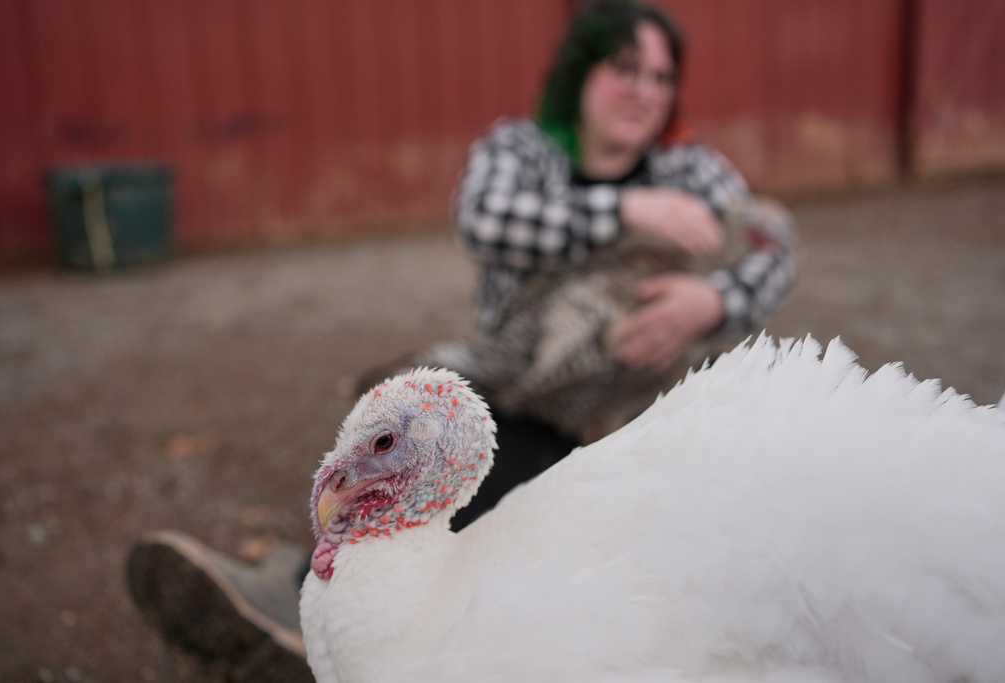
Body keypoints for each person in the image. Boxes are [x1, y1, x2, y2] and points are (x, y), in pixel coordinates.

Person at [127, 1, 796, 679]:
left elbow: (775, 249)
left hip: (639, 406)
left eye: (660, 76)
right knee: (444, 481)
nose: (644, 90)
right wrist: (623, 209)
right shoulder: (519, 149)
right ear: (579, 74)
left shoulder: (695, 169)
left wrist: (712, 299)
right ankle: (302, 595)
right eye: (624, 69)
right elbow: (482, 218)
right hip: (522, 395)